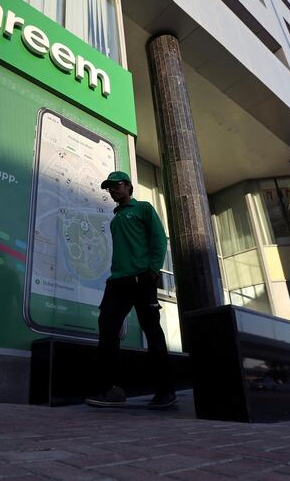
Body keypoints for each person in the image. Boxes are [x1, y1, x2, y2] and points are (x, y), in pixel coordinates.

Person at [85, 171, 177, 409]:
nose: (112, 191)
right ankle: (111, 390)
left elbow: (159, 239)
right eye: (109, 188)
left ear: (128, 186)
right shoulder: (116, 218)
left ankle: (165, 391)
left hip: (142, 279)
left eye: (116, 186)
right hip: (117, 282)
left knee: (152, 331)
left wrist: (154, 270)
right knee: (107, 330)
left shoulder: (143, 208)